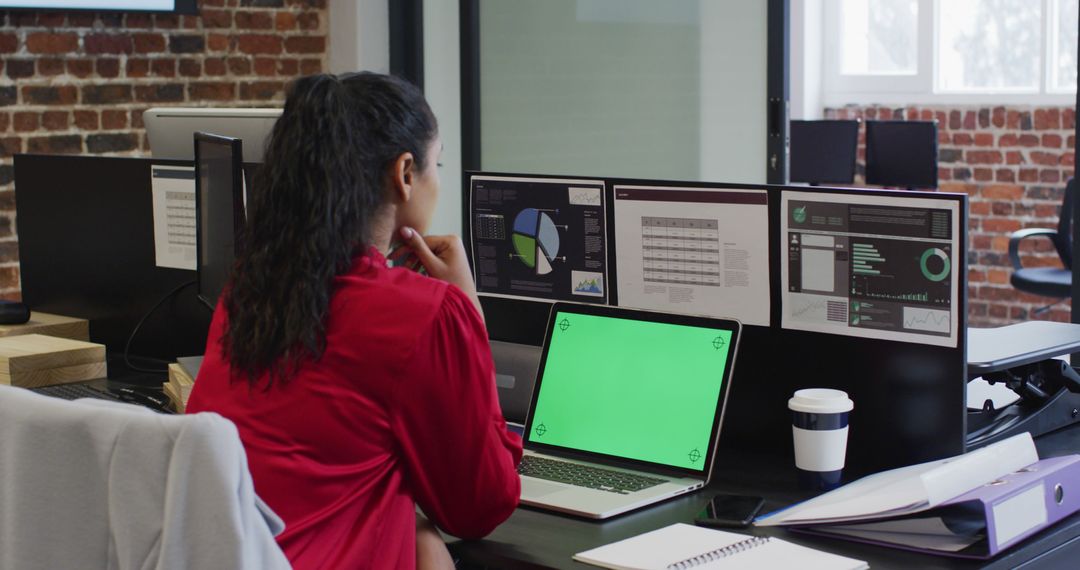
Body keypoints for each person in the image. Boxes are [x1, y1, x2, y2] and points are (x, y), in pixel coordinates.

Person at [185, 72, 522, 570]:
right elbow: (481, 505)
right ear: (405, 173)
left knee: (416, 529)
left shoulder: (247, 291)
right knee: (424, 535)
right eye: (438, 164)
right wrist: (468, 312)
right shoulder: (424, 314)